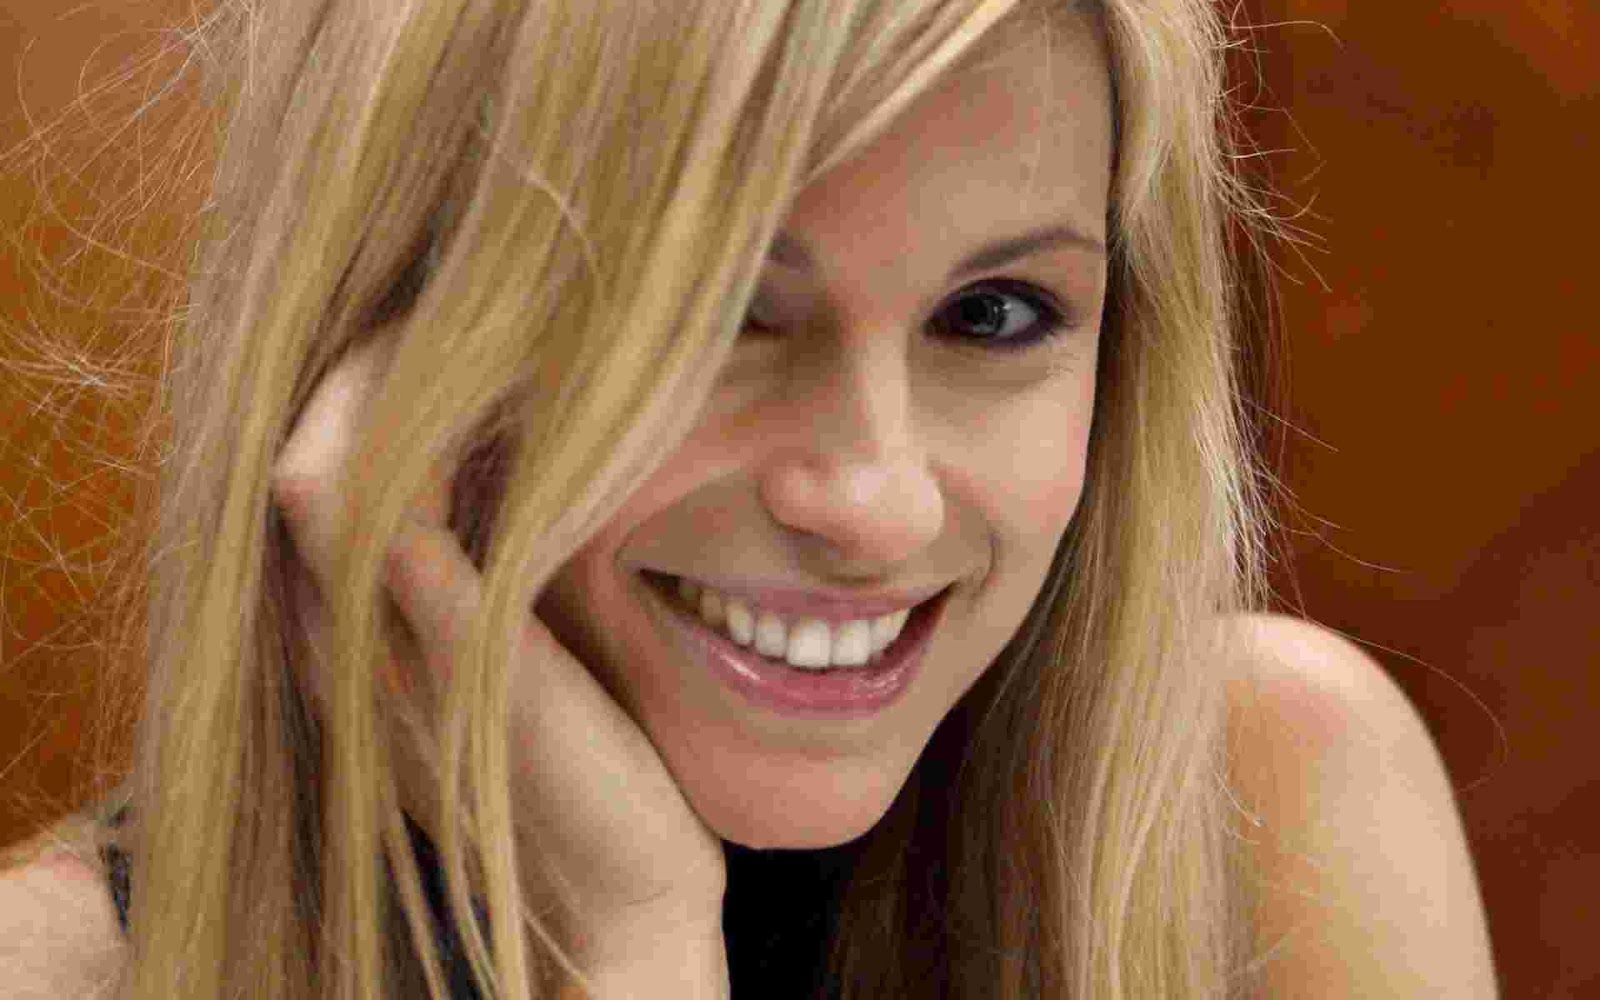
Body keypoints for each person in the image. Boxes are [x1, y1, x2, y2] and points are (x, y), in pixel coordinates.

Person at [0, 0, 1497, 997]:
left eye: (993, 316)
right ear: (384, 343)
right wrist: (628, 946)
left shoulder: (1268, 810)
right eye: (717, 311)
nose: (874, 503)